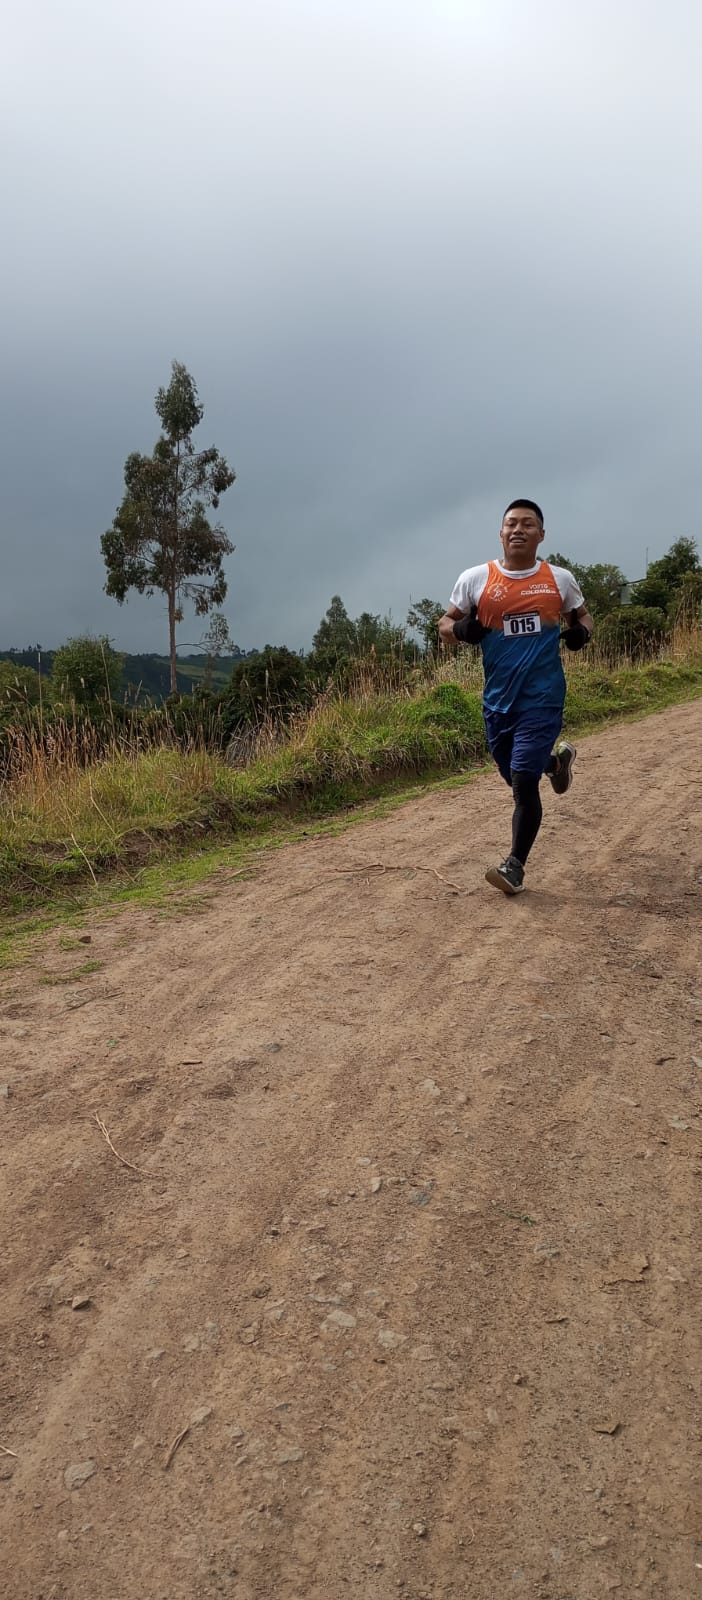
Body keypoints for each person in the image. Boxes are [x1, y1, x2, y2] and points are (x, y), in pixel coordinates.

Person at [438, 499, 594, 895]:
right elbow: (444, 624)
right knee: (514, 774)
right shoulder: (476, 579)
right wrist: (460, 631)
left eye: (527, 524)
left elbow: (583, 616)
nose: (518, 529)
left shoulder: (559, 579)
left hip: (543, 697)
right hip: (498, 702)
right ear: (501, 533)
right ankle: (555, 763)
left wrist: (583, 633)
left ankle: (514, 867)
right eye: (511, 524)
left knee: (524, 781)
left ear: (541, 534)